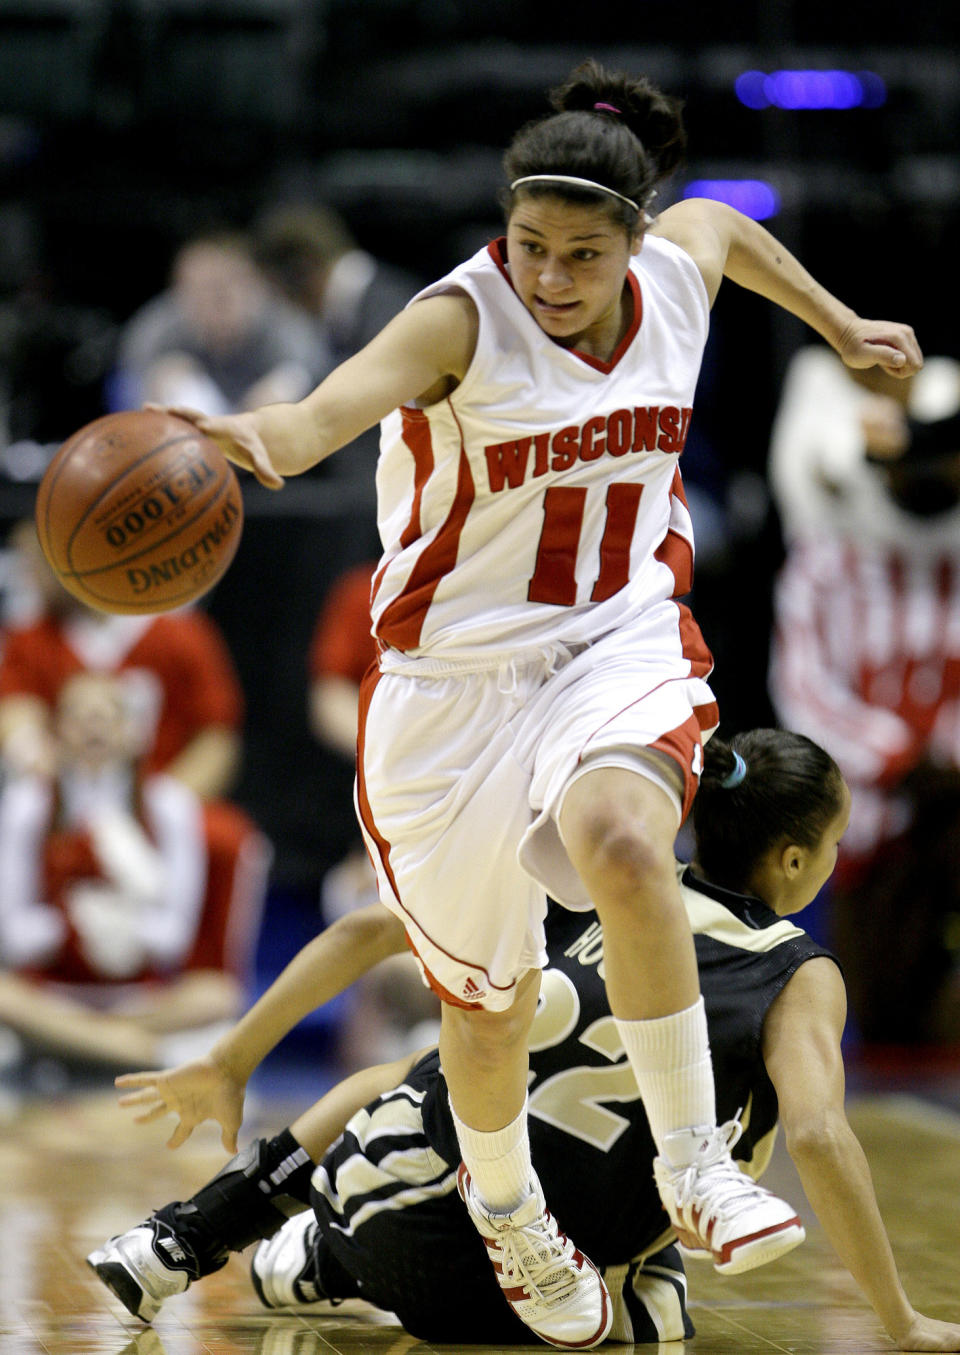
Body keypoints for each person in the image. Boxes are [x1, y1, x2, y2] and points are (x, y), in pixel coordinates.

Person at [160, 59, 923, 1349]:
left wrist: (841, 326)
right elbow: (319, 415)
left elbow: (728, 232)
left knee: (627, 839)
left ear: (635, 240)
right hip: (449, 689)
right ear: (501, 233)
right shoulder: (462, 319)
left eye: (582, 254)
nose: (552, 278)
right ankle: (511, 1213)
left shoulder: (677, 272)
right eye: (529, 247)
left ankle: (694, 1165)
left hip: (616, 636)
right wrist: (252, 440)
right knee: (487, 1001)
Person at [89, 729, 960, 1351]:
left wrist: (232, 1057)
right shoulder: (801, 973)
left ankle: (213, 1238)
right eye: (836, 842)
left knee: (413, 1070)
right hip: (551, 1297)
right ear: (796, 862)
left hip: (391, 1209)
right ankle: (326, 1260)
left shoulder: (592, 876)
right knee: (660, 1282)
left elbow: (363, 932)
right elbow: (816, 1133)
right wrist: (899, 1317)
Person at [768, 348, 960, 1042]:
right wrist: (900, 756)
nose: (929, 478)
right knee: (883, 1004)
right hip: (870, 819)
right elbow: (803, 687)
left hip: (954, 804)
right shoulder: (825, 564)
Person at [0, 672, 269, 1080]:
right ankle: (134, 1053)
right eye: (79, 717)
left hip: (140, 1000)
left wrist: (126, 934)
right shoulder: (27, 805)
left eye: (106, 716)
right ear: (56, 731)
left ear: (132, 732)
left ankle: (74, 1046)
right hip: (51, 992)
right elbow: (13, 934)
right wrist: (69, 928)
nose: (93, 727)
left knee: (218, 996)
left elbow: (175, 935)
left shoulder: (170, 807)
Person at [0, 519, 244, 802]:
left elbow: (217, 738)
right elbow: (15, 711)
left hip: (158, 800)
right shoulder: (31, 640)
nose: (30, 575)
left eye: (40, 560)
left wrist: (163, 802)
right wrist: (38, 762)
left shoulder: (182, 636)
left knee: (234, 839)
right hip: (66, 807)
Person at [108, 230, 327, 418]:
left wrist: (282, 388)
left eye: (221, 289)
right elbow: (124, 383)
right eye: (197, 291)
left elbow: (314, 367)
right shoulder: (159, 326)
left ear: (253, 285)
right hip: (187, 446)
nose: (210, 302)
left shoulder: (282, 324)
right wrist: (152, 388)